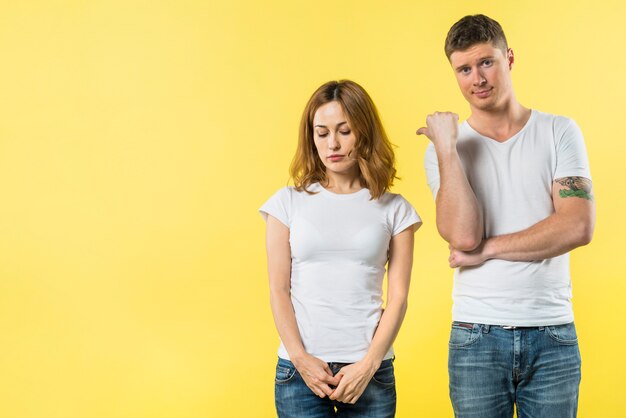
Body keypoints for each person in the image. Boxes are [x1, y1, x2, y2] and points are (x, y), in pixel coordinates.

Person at [417, 14, 595, 418]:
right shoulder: (445, 150)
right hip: (475, 334)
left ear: (509, 58)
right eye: (464, 69)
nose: (477, 78)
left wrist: (487, 251)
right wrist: (447, 149)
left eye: (486, 62)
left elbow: (577, 225)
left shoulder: (559, 131)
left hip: (551, 332)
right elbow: (463, 237)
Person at [260, 79, 421, 418]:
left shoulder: (396, 209)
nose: (332, 143)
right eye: (322, 133)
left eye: (344, 131)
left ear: (364, 132)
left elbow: (398, 298)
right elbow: (278, 289)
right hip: (300, 373)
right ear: (311, 136)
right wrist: (300, 359)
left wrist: (369, 364)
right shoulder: (287, 203)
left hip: (369, 372)